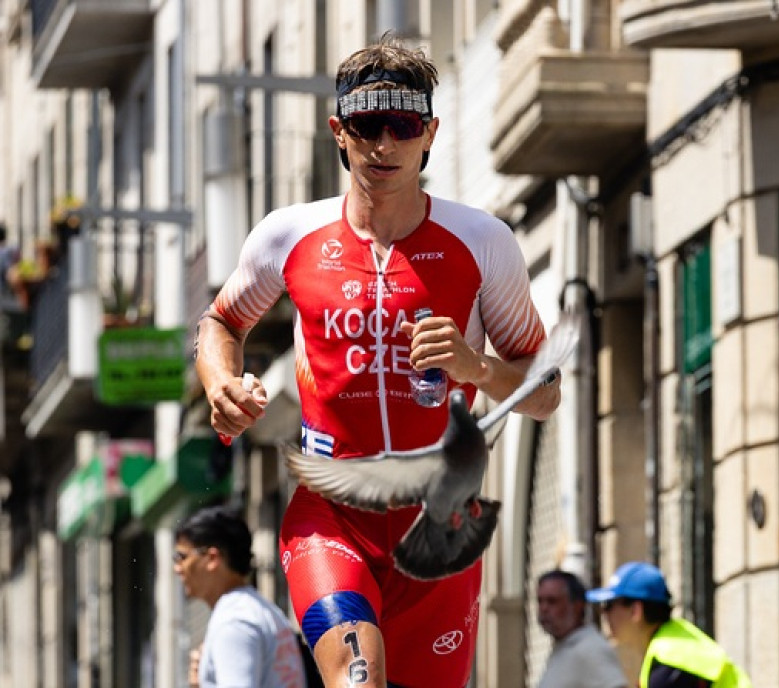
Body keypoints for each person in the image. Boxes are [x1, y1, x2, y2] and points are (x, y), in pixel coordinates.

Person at [193, 34, 561, 688]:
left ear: (430, 133)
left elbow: (545, 391)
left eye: (403, 127)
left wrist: (476, 366)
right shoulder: (289, 235)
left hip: (439, 525)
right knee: (357, 679)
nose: (384, 145)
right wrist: (221, 382)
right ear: (339, 131)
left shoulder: (483, 242)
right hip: (331, 512)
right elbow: (222, 321)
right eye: (367, 127)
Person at [173, 505, 306, 688]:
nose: (177, 568)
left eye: (182, 557)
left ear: (212, 558)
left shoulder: (234, 622)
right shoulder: (258, 609)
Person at [587, 562, 752, 688]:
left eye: (609, 605)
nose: (604, 614)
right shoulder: (673, 641)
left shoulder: (668, 664)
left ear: (635, 611)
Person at [536, 569, 627, 688]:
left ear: (577, 606)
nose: (544, 609)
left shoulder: (591, 648)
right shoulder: (564, 646)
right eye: (540, 601)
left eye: (552, 601)